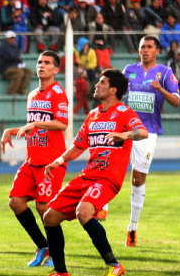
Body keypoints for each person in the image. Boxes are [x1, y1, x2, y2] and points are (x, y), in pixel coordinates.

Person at [43, 68, 148, 276]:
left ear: (113, 90)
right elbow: (78, 145)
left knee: (83, 213)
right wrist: (58, 160)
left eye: (102, 82)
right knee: (50, 217)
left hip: (108, 179)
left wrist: (124, 135)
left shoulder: (125, 113)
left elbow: (143, 132)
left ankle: (114, 266)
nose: (96, 85)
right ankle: (61, 272)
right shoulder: (92, 115)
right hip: (88, 176)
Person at [1, 51, 69, 268]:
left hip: (51, 162)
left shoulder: (58, 93)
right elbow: (32, 124)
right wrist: (12, 130)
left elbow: (62, 123)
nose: (42, 65)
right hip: (32, 160)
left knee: (44, 208)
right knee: (16, 202)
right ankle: (42, 246)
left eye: (47, 63)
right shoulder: (32, 95)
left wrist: (36, 125)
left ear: (56, 70)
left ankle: (55, 255)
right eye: (39, 61)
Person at [122, 36, 180, 246]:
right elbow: (116, 94)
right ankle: (102, 208)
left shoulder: (165, 73)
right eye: (142, 47)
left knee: (137, 179)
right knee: (109, 168)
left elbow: (176, 101)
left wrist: (160, 89)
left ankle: (132, 228)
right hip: (124, 128)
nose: (145, 50)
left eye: (149, 47)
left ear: (157, 51)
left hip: (148, 131)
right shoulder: (129, 70)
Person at [0, 30, 33, 95]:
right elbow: (11, 57)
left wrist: (17, 59)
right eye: (10, 38)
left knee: (28, 72)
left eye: (13, 38)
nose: (12, 39)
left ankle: (21, 90)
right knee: (19, 72)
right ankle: (11, 91)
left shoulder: (15, 47)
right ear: (7, 39)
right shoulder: (3, 47)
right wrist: (17, 57)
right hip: (5, 68)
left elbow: (16, 57)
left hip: (15, 66)